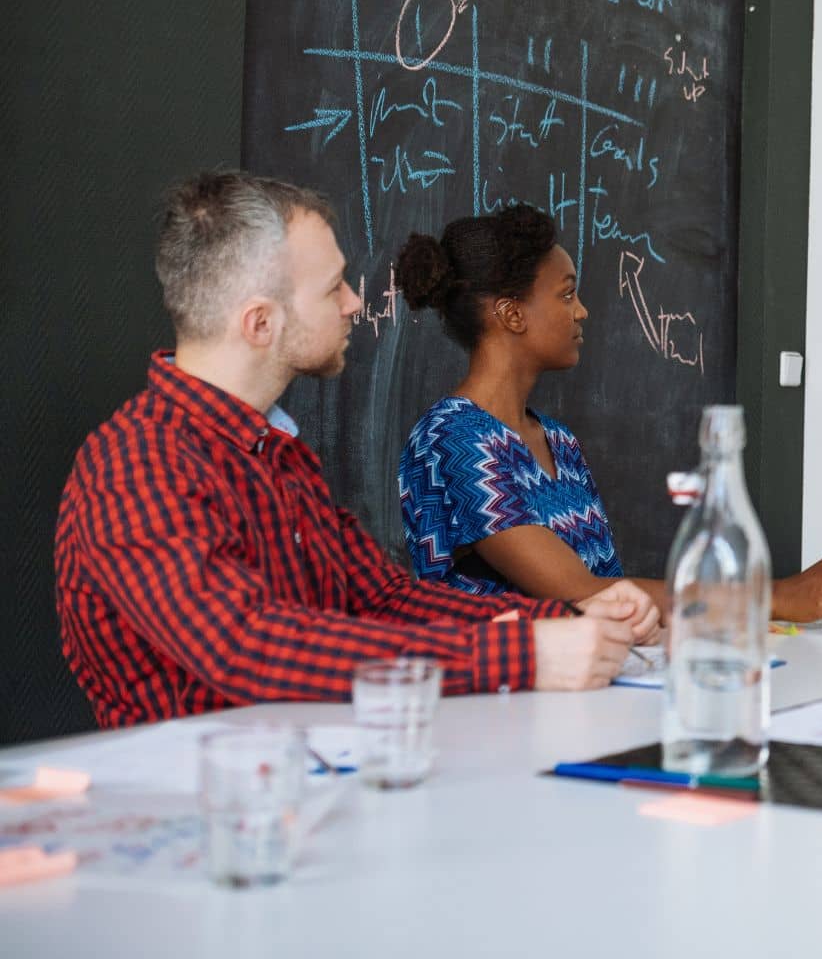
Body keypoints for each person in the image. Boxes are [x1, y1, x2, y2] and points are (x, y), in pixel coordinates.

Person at [56, 172, 640, 729]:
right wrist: (523, 653)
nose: (355, 302)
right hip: (198, 810)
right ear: (260, 323)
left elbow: (382, 599)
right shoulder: (136, 464)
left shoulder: (278, 457)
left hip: (312, 786)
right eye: (332, 286)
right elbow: (248, 645)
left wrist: (567, 618)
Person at [393, 203, 822, 625]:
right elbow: (585, 593)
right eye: (566, 294)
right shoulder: (452, 441)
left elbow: (611, 591)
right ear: (511, 314)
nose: (582, 310)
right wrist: (778, 598)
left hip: (587, 685)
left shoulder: (559, 443)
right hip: (498, 705)